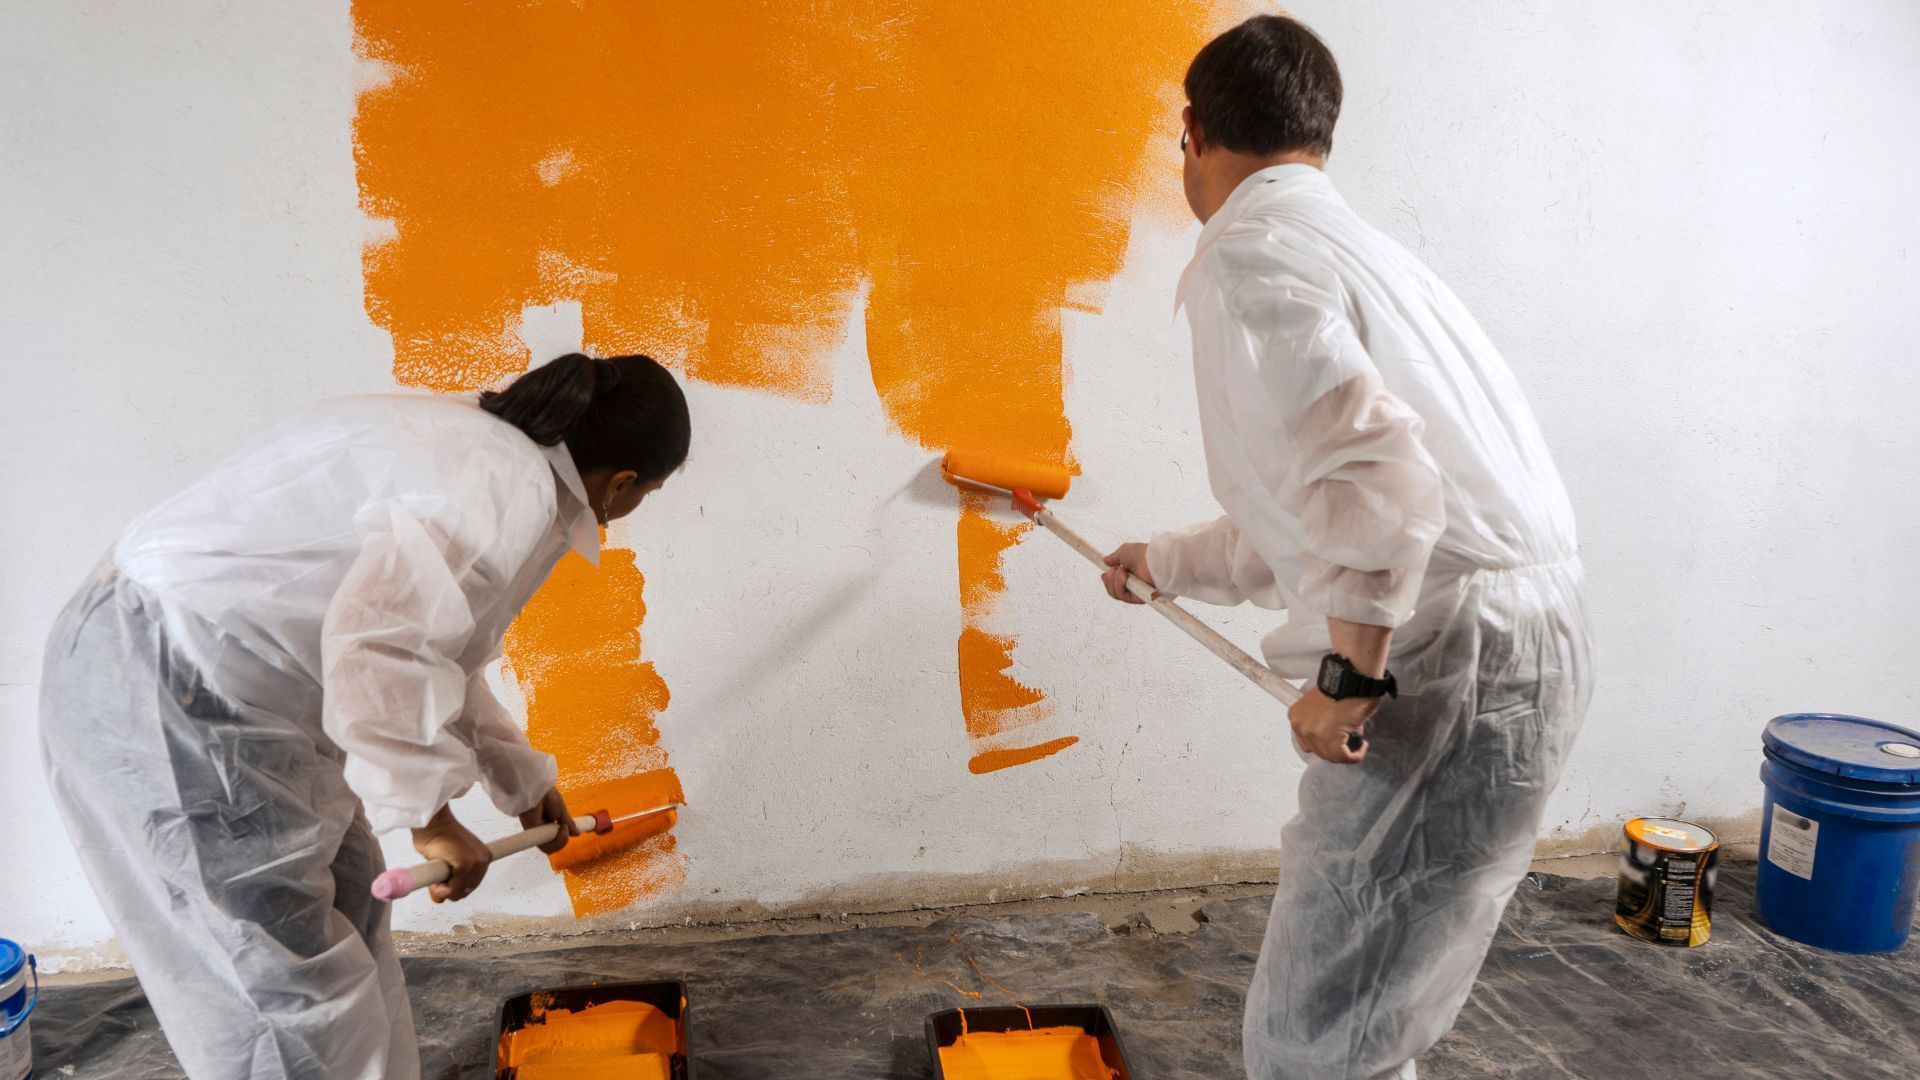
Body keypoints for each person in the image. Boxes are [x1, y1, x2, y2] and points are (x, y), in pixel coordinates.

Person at [1099, 16, 1593, 1079]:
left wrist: (1349, 680)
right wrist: (1165, 561)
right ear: (1318, 136)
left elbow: (1379, 489)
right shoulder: (1363, 255)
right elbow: (1331, 513)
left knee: (1313, 1036)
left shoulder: (1250, 256)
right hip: (1523, 634)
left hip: (1443, 651)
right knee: (1375, 1009)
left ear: (1190, 133)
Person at [39, 353, 691, 1079]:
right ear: (625, 482)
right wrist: (430, 815)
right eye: (651, 492)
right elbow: (378, 645)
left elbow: (439, 653)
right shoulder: (501, 487)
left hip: (241, 692)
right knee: (282, 987)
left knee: (353, 906)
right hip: (171, 687)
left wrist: (522, 782)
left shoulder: (484, 451)